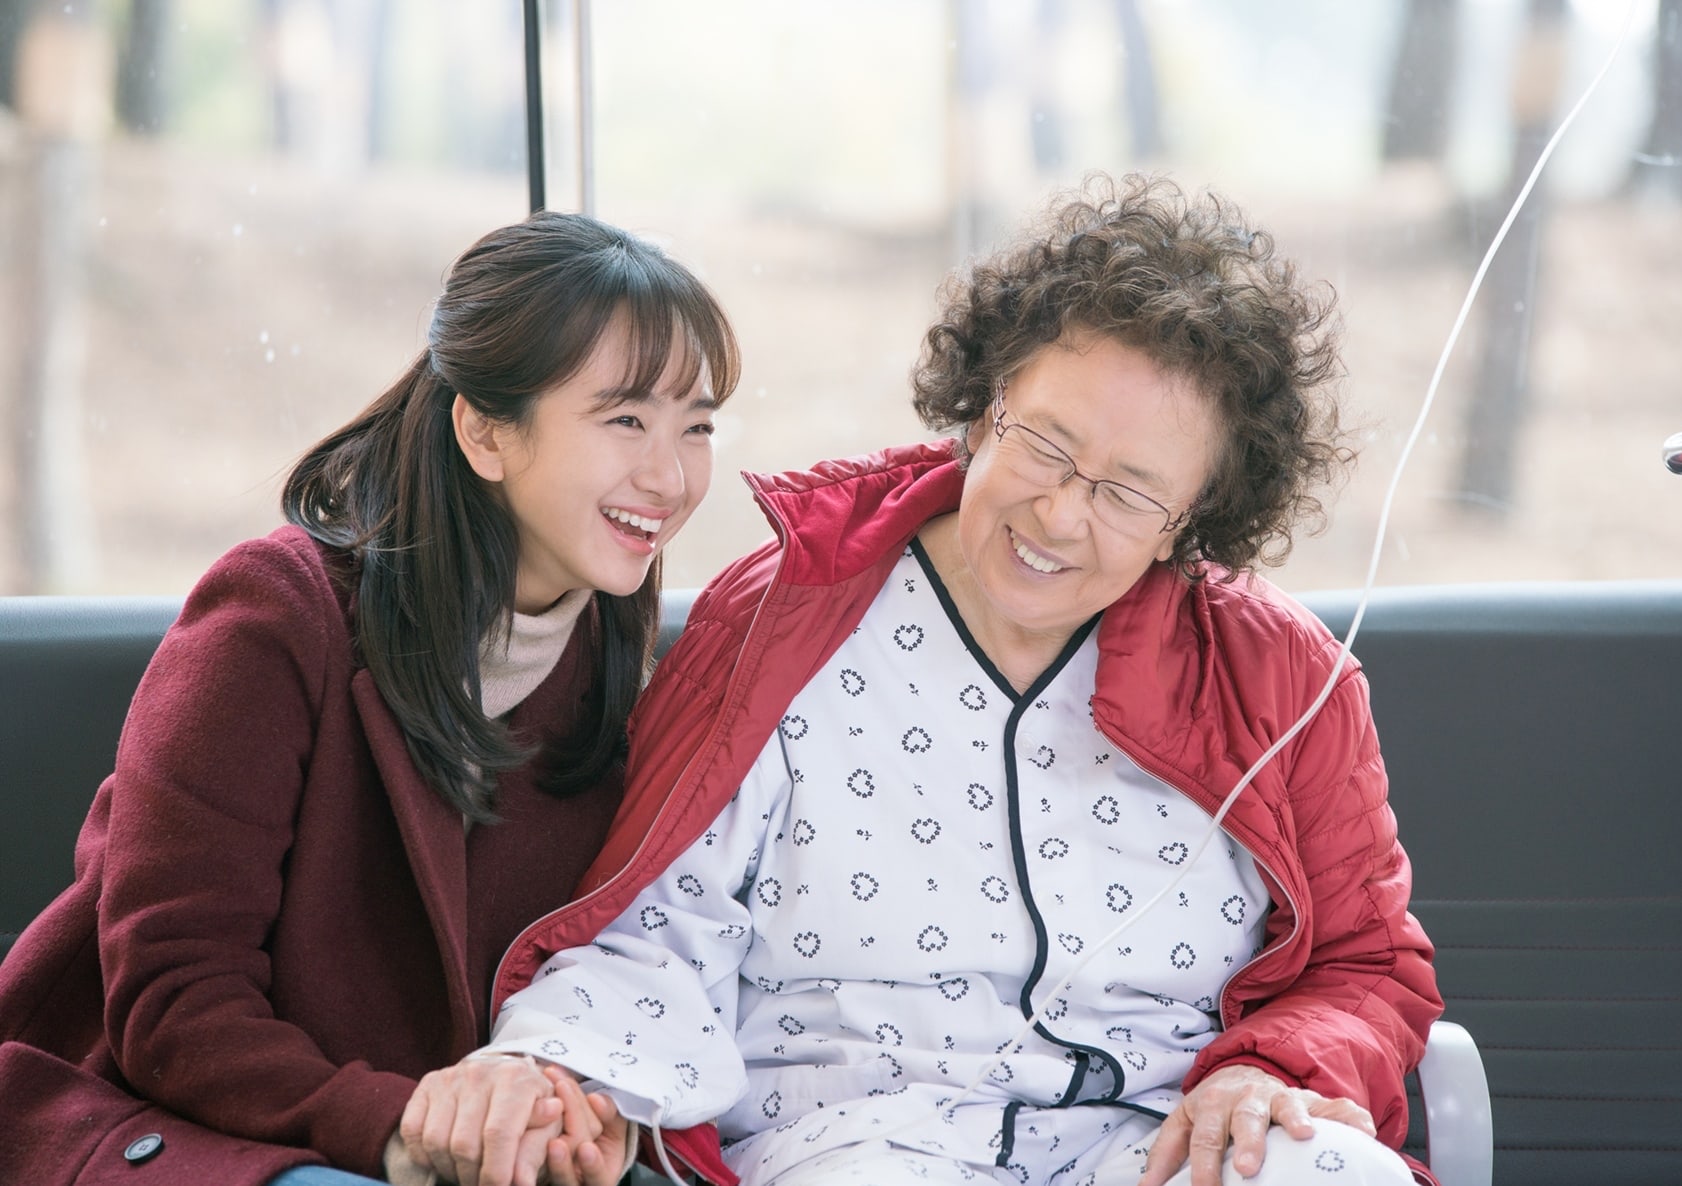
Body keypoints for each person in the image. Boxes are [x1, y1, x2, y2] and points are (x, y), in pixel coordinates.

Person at [411, 175, 1443, 1186]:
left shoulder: (1277, 678)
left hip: (1164, 1138)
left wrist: (1267, 1068)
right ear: (984, 408)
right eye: (1043, 443)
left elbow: (1365, 963)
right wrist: (548, 1065)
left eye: (1129, 494)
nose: (1059, 515)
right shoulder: (784, 620)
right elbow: (656, 929)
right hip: (854, 1138)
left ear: (1197, 517)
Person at [0, 210, 740, 1186]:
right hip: (192, 1129)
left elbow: (610, 972)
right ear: (484, 430)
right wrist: (403, 1126)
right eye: (625, 420)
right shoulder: (274, 617)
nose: (672, 474)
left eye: (696, 427)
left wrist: (577, 1114)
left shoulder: (616, 658)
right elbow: (173, 1001)